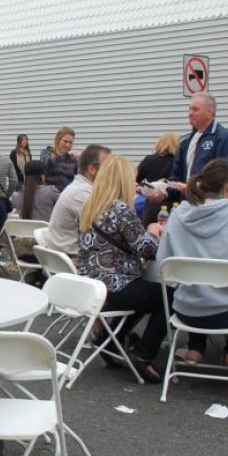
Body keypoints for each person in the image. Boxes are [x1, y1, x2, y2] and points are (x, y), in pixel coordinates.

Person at [157, 158, 228, 367]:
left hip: (186, 311)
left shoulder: (178, 214)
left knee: (195, 288)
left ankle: (195, 348)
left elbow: (164, 262)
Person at [78, 156, 167, 382]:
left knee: (143, 294)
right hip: (115, 284)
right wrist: (154, 231)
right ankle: (144, 354)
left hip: (92, 283)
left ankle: (107, 341)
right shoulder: (120, 208)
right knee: (168, 297)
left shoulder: (91, 205)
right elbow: (144, 248)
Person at [46, 144, 112, 258]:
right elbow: (109, 229)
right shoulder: (82, 193)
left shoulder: (83, 188)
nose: (113, 172)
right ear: (92, 169)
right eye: (109, 167)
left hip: (69, 252)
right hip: (72, 258)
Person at [170, 93, 228, 192]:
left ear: (210, 113)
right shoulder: (186, 141)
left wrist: (198, 189)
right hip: (187, 204)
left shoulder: (225, 138)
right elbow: (176, 176)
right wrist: (163, 191)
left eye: (195, 109)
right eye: (189, 109)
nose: (190, 113)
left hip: (211, 204)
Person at [137, 133, 180, 227]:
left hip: (151, 207)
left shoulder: (149, 160)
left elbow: (137, 181)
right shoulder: (178, 162)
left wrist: (150, 188)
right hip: (174, 207)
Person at [42, 126, 78, 191]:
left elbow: (78, 177)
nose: (68, 145)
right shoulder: (47, 153)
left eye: (70, 142)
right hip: (51, 196)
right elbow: (48, 163)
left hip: (67, 196)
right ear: (58, 140)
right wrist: (67, 155)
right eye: (65, 141)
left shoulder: (73, 159)